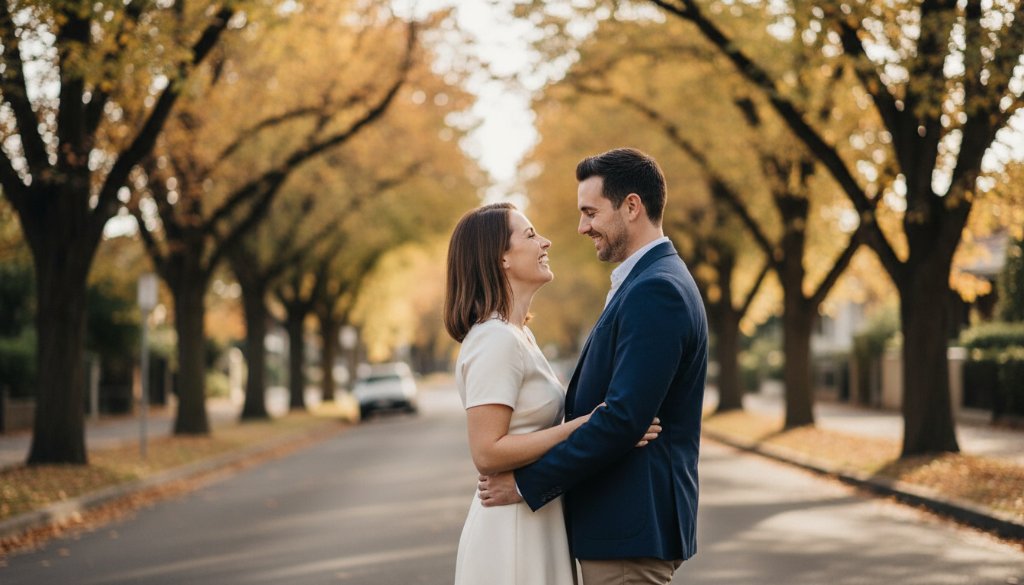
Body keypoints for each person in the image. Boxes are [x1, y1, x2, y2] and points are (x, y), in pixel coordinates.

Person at [478, 148, 709, 585]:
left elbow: (623, 418)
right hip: (621, 528)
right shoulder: (645, 282)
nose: (582, 227)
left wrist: (526, 485)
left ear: (632, 206)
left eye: (590, 212)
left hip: (629, 528)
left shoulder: (655, 289)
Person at [443, 202, 661, 585]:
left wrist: (610, 431)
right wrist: (586, 425)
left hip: (536, 516)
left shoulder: (518, 335)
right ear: (501, 258)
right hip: (510, 530)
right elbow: (487, 452)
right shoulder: (494, 339)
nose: (545, 242)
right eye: (529, 235)